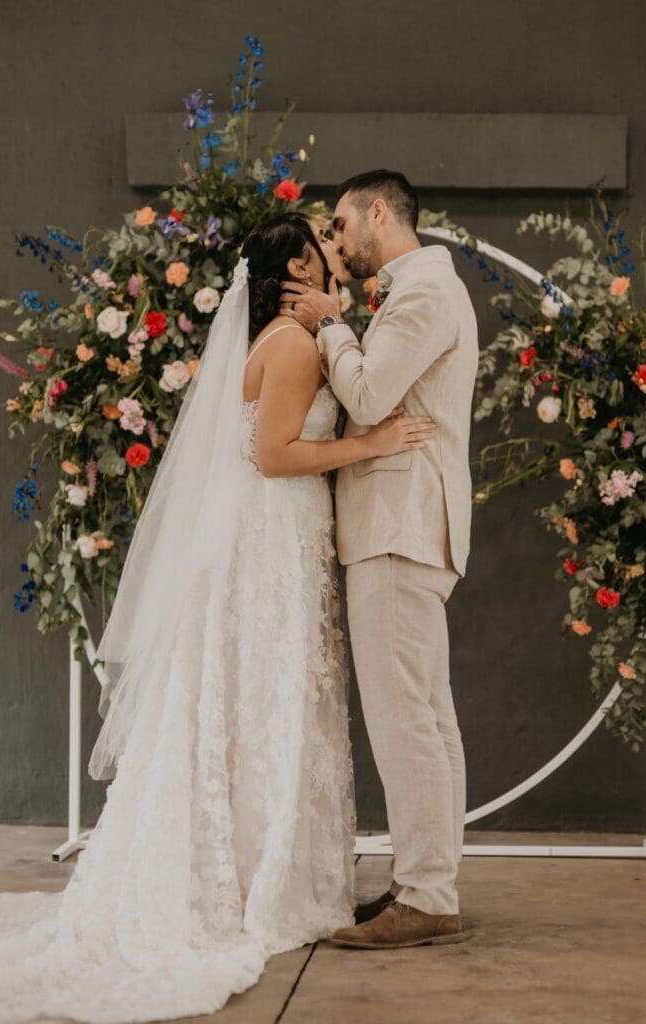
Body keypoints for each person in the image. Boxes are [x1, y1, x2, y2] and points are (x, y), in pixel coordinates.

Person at [0, 212, 436, 1022]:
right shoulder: (289, 345)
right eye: (323, 247)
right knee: (266, 701)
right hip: (269, 544)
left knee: (267, 703)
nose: (335, 252)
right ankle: (258, 882)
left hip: (280, 537)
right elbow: (272, 454)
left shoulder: (295, 337)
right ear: (298, 269)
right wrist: (377, 443)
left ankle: (274, 869)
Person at [280, 170, 479, 950]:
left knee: (406, 721)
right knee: (427, 715)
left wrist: (330, 322)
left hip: (396, 523)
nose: (335, 240)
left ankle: (425, 895)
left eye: (339, 223)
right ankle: (428, 884)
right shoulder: (420, 289)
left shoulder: (424, 290)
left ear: (376, 212)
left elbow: (365, 396)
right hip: (407, 523)